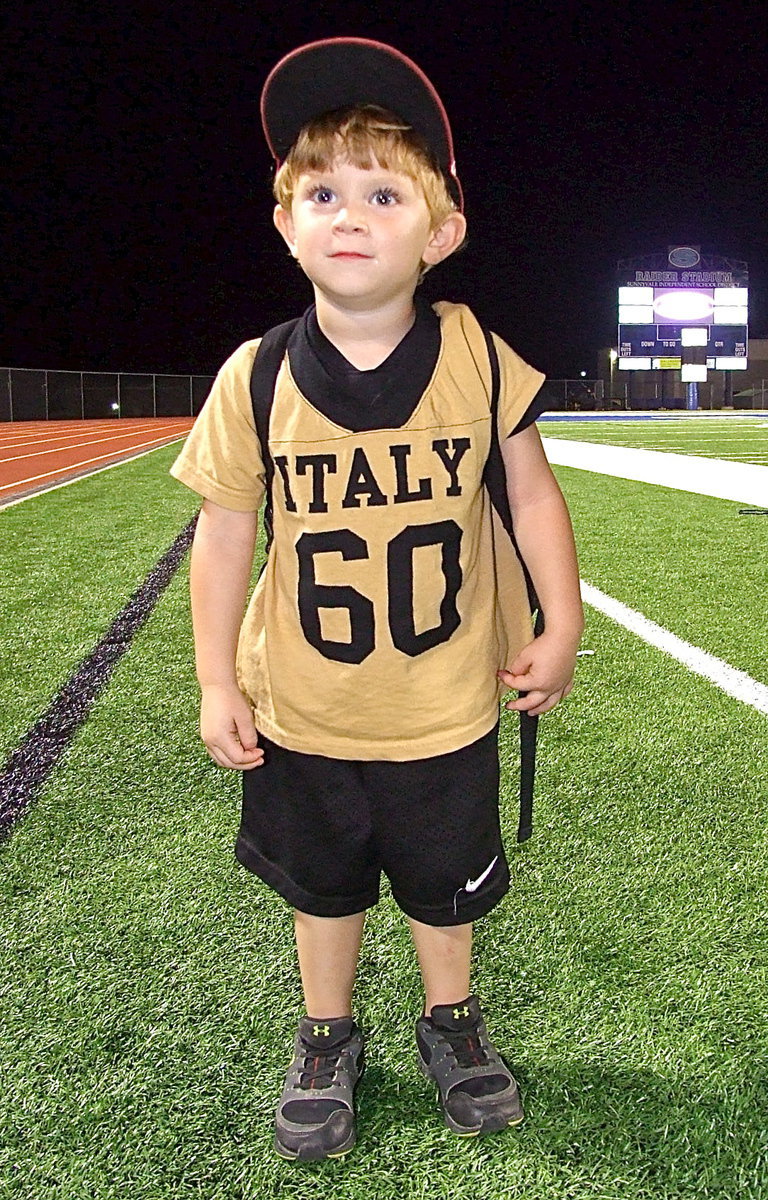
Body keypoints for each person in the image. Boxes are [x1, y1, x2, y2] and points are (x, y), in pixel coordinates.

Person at [171, 37, 583, 1162]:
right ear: (285, 222)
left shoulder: (478, 357)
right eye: (321, 190)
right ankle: (328, 1032)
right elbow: (223, 537)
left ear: (440, 231)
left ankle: (451, 1020)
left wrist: (564, 622)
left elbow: (534, 497)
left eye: (384, 190)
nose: (348, 211)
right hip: (306, 710)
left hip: (446, 701)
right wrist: (215, 678)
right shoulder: (254, 377)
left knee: (445, 891)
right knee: (326, 886)